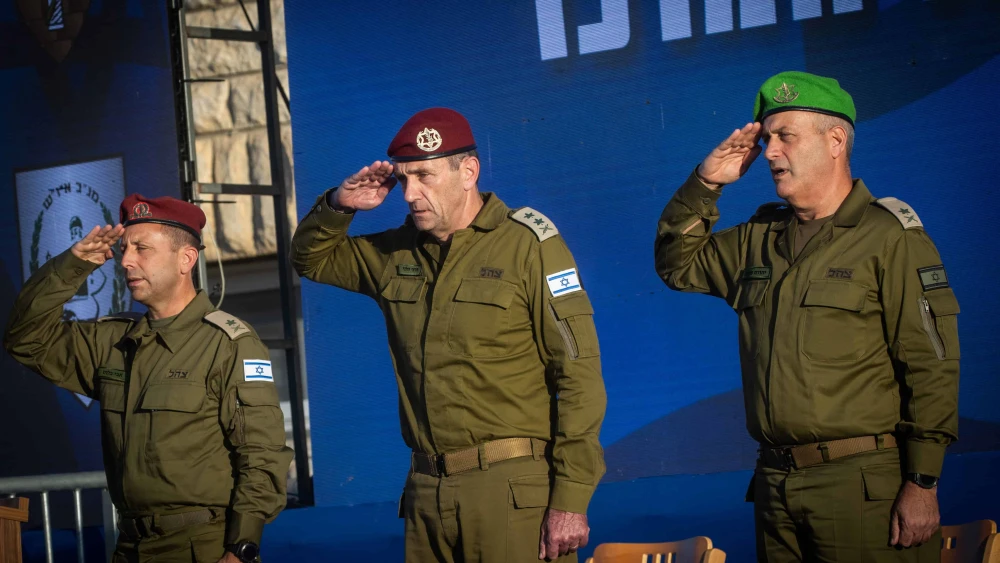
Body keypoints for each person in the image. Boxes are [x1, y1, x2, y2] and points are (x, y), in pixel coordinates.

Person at [654, 71, 959, 562]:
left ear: (835, 140)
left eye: (786, 137)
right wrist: (706, 183)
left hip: (861, 485)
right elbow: (677, 265)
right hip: (775, 485)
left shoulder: (888, 235)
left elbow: (931, 364)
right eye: (768, 138)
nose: (771, 152)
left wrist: (922, 480)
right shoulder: (760, 237)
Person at [291, 107, 606, 562]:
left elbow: (579, 376)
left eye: (424, 176)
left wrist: (571, 500)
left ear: (468, 172)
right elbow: (311, 260)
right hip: (426, 493)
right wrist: (339, 206)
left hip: (511, 490)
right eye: (402, 179)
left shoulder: (528, 244)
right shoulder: (396, 253)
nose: (410, 194)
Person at [4, 194, 293, 563]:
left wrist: (241, 547)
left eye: (142, 249)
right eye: (124, 248)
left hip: (203, 547)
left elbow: (262, 454)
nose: (125, 261)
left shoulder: (229, 344)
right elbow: (25, 339)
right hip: (130, 546)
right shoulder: (113, 340)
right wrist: (73, 266)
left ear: (185, 259)